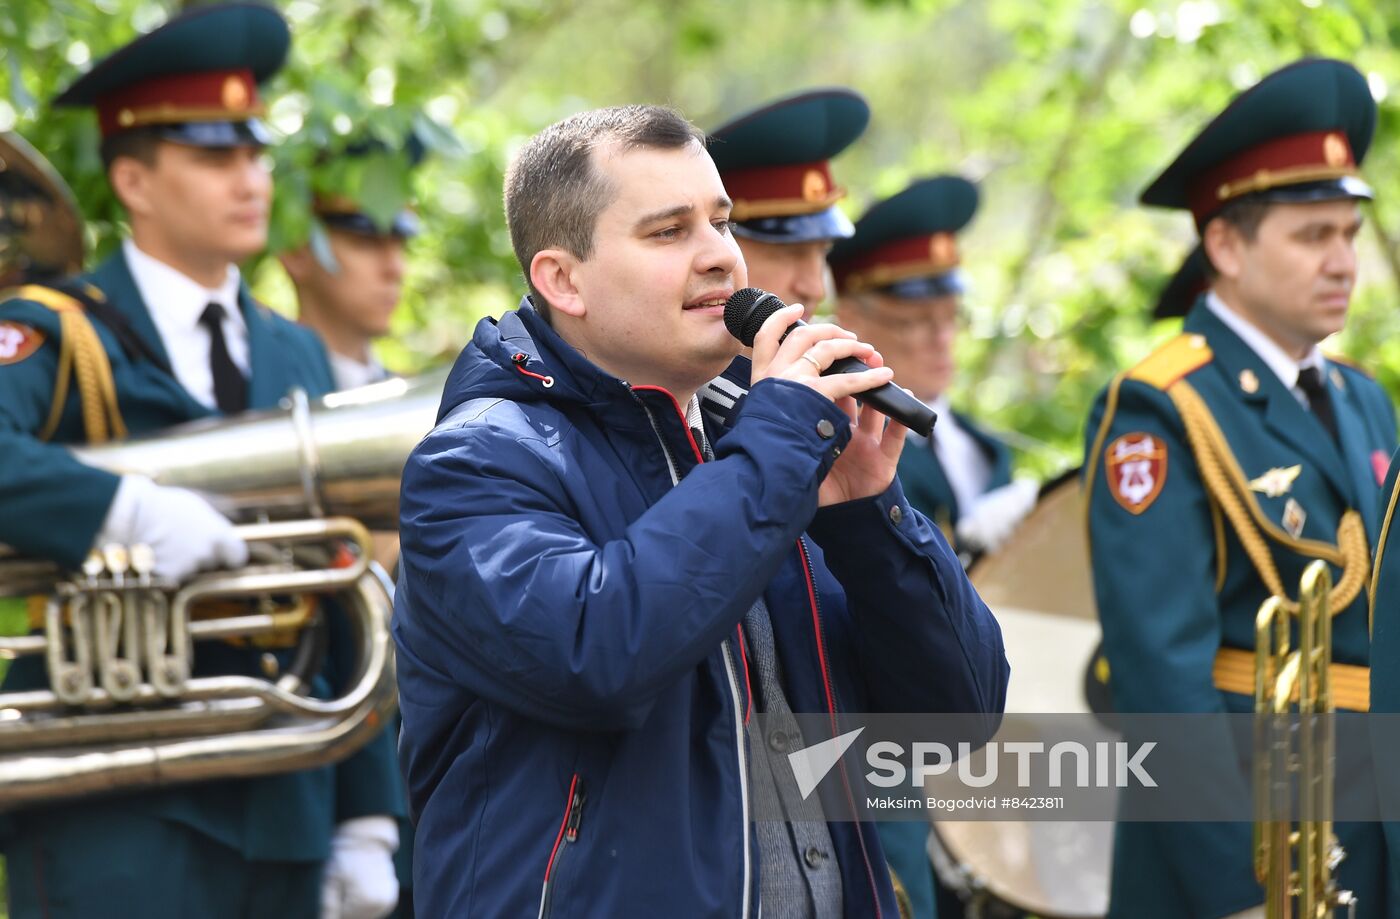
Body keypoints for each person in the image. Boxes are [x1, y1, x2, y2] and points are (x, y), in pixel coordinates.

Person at [393, 103, 1009, 917]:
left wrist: (869, 515)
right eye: (668, 231)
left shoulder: (761, 446)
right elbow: (600, 653)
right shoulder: (474, 463)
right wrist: (781, 439)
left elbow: (954, 723)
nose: (720, 255)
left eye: (721, 222)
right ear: (561, 279)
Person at [0, 6, 402, 918]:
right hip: (112, 807)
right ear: (134, 179)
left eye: (255, 152)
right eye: (215, 156)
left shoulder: (295, 352)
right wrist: (123, 511)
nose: (251, 178)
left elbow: (342, 579)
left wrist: (368, 817)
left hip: (288, 793)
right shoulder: (57, 328)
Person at [1082, 58, 1394, 919]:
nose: (1342, 262)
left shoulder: (1362, 399)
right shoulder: (1162, 406)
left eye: (1348, 234)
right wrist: (1236, 891)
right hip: (1244, 845)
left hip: (1366, 825)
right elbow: (1159, 680)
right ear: (1223, 244)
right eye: (1311, 236)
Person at [831, 175, 1036, 559]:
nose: (942, 338)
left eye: (951, 318)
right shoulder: (844, 445)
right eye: (917, 321)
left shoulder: (978, 444)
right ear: (851, 316)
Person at [281, 137, 423, 391]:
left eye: (399, 244)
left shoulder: (404, 392)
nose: (396, 269)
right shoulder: (260, 390)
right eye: (367, 243)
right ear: (296, 253)